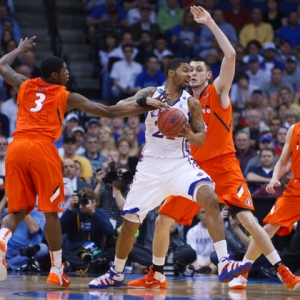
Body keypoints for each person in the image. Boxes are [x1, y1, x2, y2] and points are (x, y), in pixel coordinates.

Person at [130, 5, 300, 291]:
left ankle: (282, 270)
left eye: (199, 70)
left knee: (248, 219)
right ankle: (156, 275)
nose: (194, 73)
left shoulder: (218, 92)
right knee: (163, 219)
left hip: (224, 166)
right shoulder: (180, 101)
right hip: (192, 169)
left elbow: (231, 55)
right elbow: (145, 101)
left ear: (208, 75)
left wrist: (209, 22)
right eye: (190, 70)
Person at [0, 36, 168, 286]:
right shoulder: (66, 95)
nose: (68, 73)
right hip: (41, 149)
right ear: (56, 75)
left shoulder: (25, 84)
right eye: (65, 69)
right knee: (51, 212)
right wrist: (144, 105)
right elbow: (109, 111)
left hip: (15, 149)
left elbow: (2, 65)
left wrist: (19, 50)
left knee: (16, 210)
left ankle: (2, 238)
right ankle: (57, 269)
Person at [89, 57, 252, 290]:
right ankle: (115, 273)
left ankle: (225, 261)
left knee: (210, 197)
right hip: (150, 168)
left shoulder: (192, 104)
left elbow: (201, 138)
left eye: (192, 71)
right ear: (171, 73)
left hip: (179, 163)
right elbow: (118, 107)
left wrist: (185, 131)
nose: (189, 75)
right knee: (129, 224)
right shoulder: (152, 92)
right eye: (185, 70)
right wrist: (145, 102)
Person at [234, 122, 300, 290]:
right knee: (269, 228)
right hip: (296, 189)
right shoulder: (294, 129)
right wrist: (274, 178)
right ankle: (243, 272)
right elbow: (283, 161)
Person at [61, 188, 114, 272]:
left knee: (115, 249)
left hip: (95, 251)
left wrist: (93, 213)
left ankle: (77, 265)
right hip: (74, 251)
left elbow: (110, 231)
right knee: (56, 247)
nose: (88, 205)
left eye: (92, 202)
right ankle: (90, 266)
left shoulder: (100, 213)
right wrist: (70, 208)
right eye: (85, 202)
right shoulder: (74, 212)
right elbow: (61, 230)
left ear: (96, 203)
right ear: (79, 202)